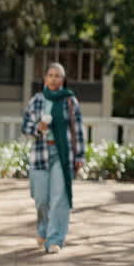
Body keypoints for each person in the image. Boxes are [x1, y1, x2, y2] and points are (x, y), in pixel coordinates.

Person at [21, 62, 86, 254]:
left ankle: (55, 239)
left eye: (58, 75)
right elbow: (25, 126)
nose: (54, 78)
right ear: (45, 78)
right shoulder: (37, 100)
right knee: (41, 199)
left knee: (59, 198)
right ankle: (42, 229)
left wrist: (80, 155)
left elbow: (78, 130)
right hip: (40, 154)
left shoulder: (70, 101)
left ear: (63, 80)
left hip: (62, 155)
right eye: (51, 75)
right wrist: (37, 128)